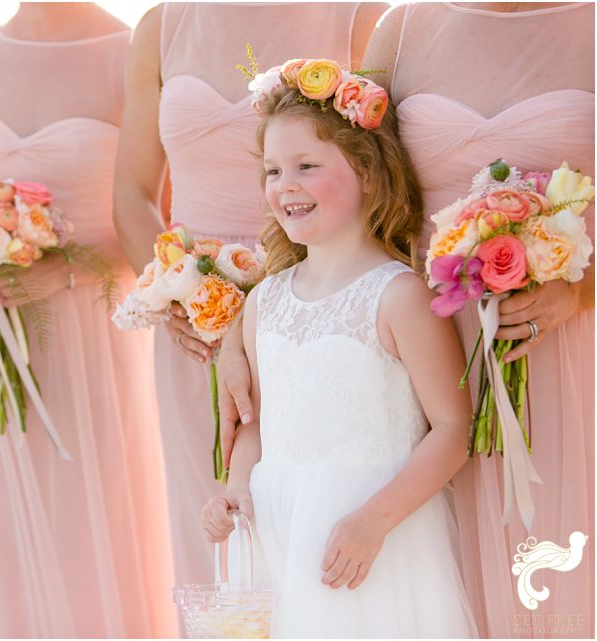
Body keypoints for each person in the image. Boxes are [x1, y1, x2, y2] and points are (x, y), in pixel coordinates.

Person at [112, 2, 386, 589]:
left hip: (318, 317)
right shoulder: (162, 26)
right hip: (196, 336)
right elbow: (133, 193)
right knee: (209, 536)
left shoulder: (361, 16)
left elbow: (380, 176)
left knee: (309, 525)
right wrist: (177, 293)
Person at [201, 60, 476, 636]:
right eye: (273, 170)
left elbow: (453, 429)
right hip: (282, 529)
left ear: (369, 173)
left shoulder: (398, 295)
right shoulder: (265, 302)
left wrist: (374, 521)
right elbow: (256, 421)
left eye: (307, 166)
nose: (286, 186)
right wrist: (234, 490)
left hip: (371, 535)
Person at [0, 3, 176, 636]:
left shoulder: (131, 53)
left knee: (89, 525)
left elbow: (160, 236)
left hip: (90, 337)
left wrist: (62, 270)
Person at [362, 3, 595, 636]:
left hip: (567, 350)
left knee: (561, 572)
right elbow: (351, 190)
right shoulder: (401, 29)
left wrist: (583, 290)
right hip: (429, 351)